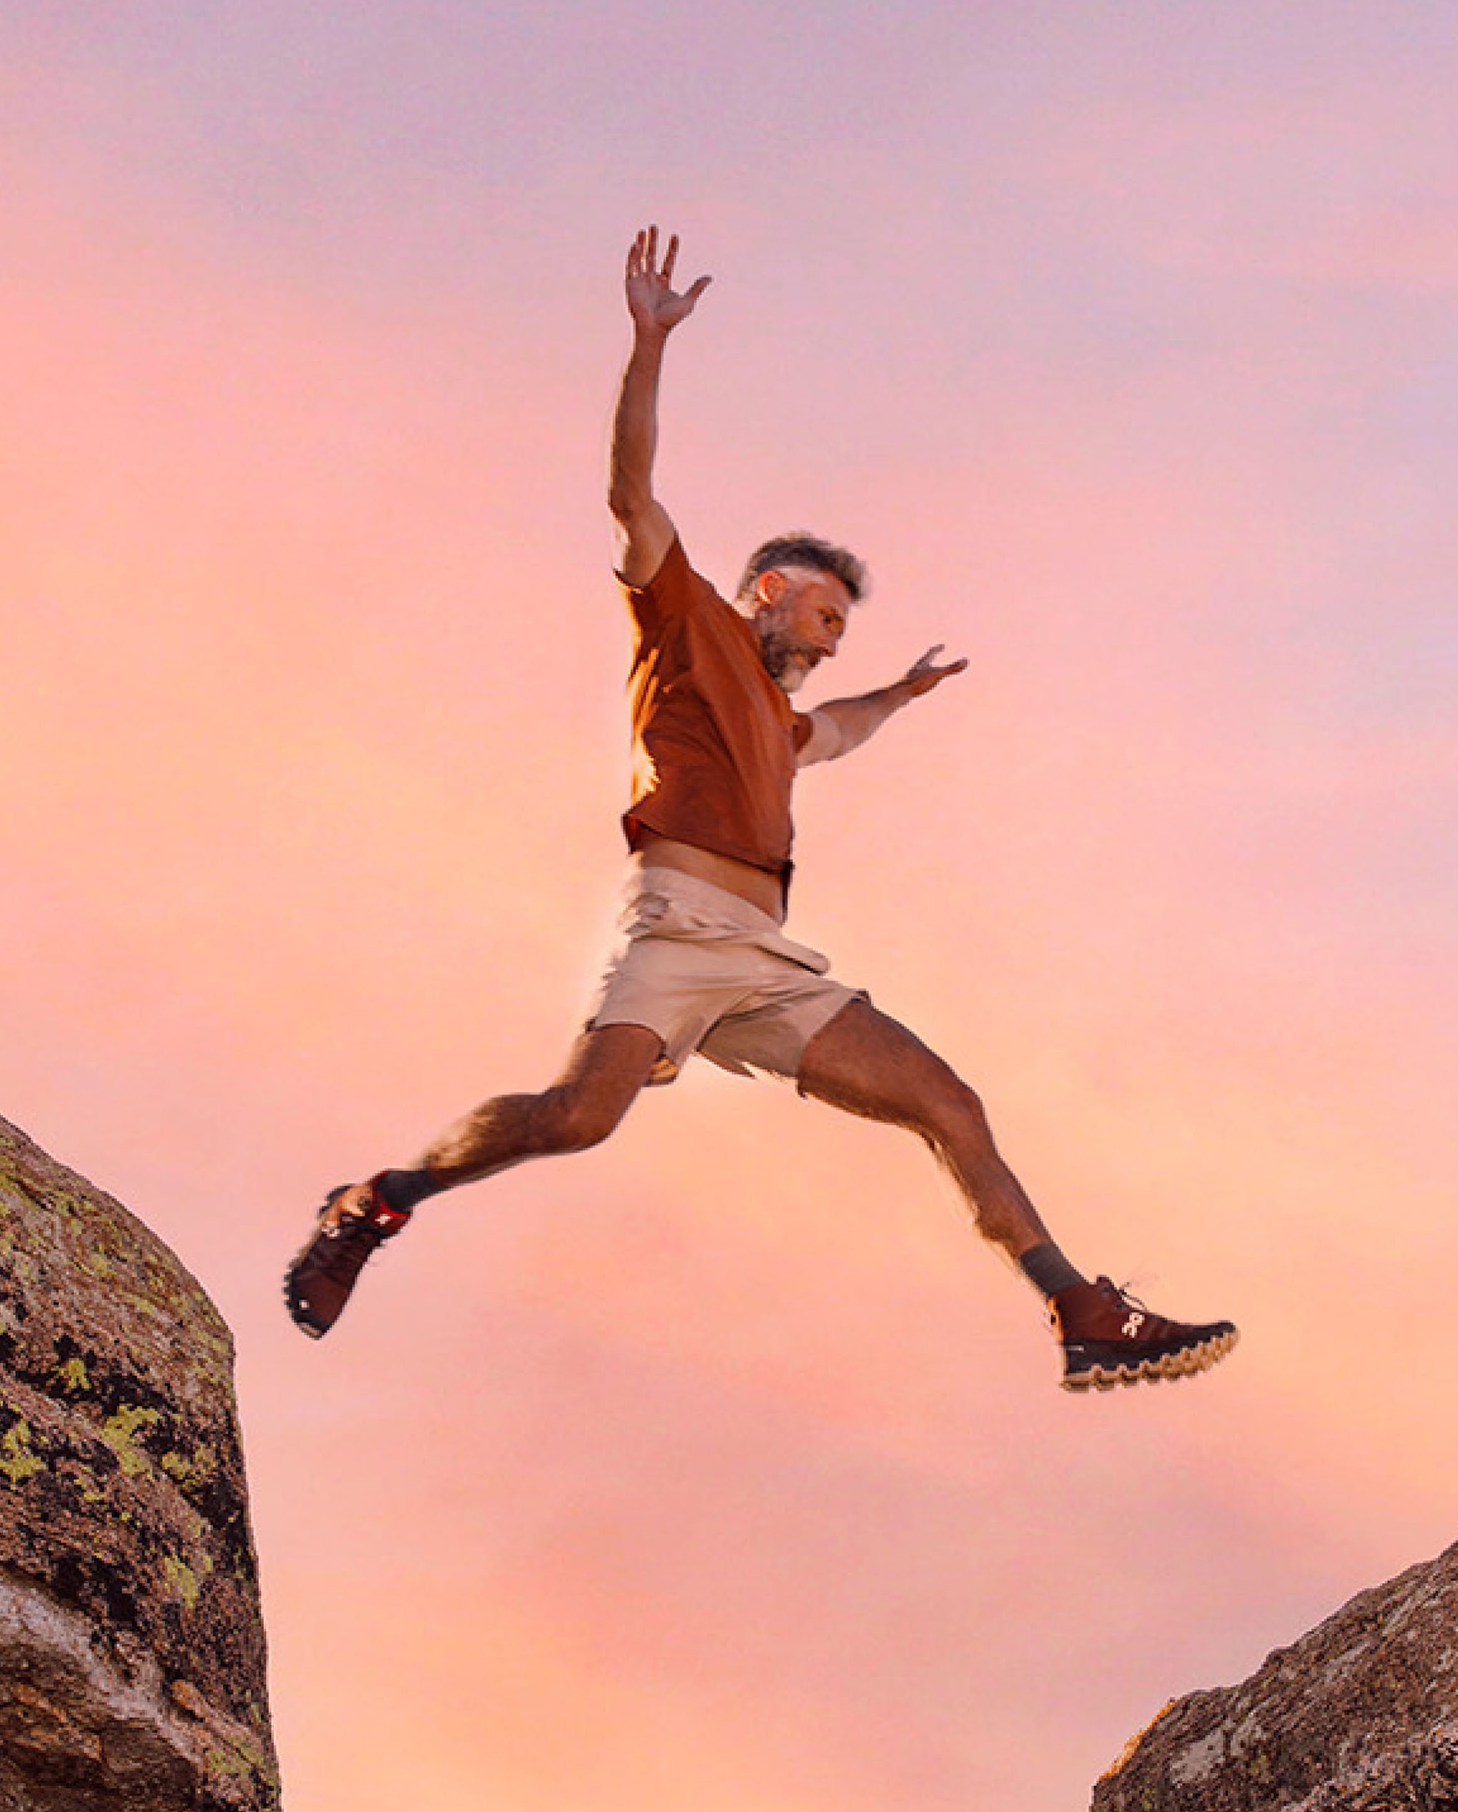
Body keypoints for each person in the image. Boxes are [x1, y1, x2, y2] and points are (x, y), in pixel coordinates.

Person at [284, 226, 1237, 1394]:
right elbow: (629, 492)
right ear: (772, 593)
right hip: (679, 933)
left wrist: (902, 690)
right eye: (829, 620)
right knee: (578, 1119)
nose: (836, 642)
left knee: (949, 1101)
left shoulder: (786, 726)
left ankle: (1080, 1313)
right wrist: (647, 345)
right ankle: (378, 1201)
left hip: (768, 962)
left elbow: (844, 732)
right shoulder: (687, 624)